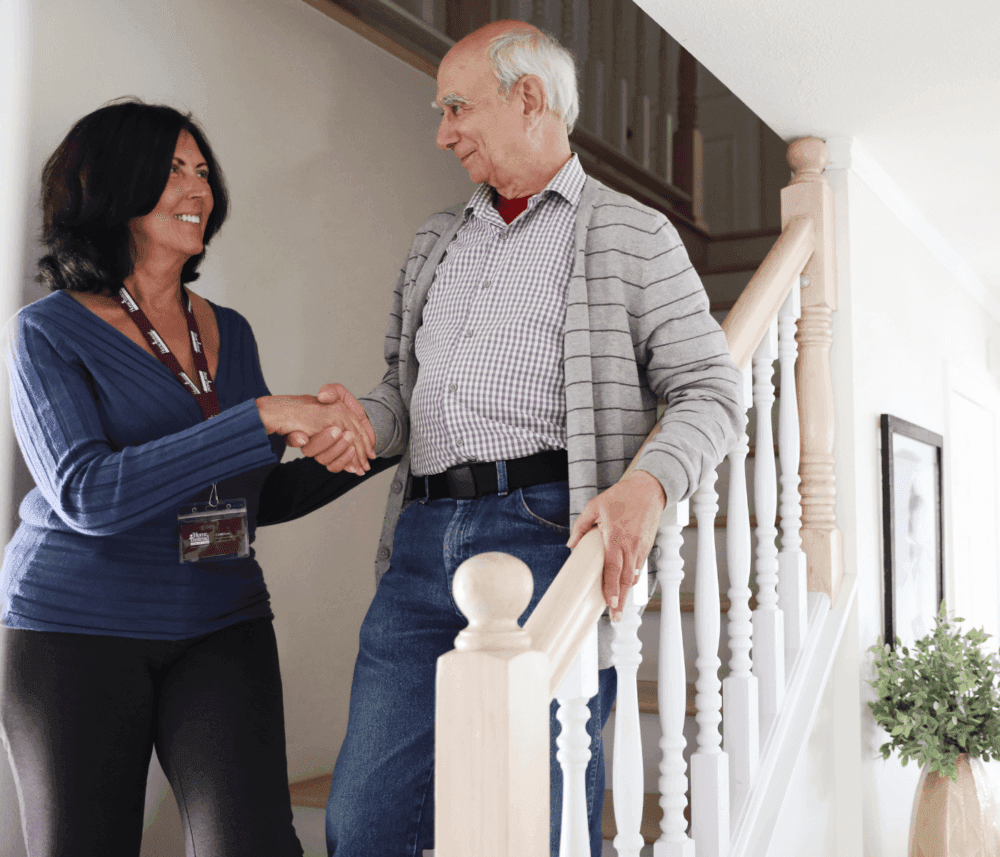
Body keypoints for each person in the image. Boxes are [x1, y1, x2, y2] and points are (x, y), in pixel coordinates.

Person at [309, 21, 745, 857]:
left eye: (457, 106)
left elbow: (712, 390)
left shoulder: (634, 235)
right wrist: (359, 421)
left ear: (529, 98)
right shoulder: (436, 241)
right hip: (420, 546)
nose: (443, 132)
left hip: (547, 534)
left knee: (535, 819)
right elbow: (405, 397)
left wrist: (646, 486)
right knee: (363, 818)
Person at [0, 99, 390, 857]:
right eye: (174, 169)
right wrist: (264, 417)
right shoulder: (46, 331)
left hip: (221, 619)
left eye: (203, 171)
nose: (198, 189)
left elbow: (248, 495)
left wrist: (361, 443)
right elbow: (89, 493)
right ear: (111, 186)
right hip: (74, 631)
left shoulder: (229, 329)